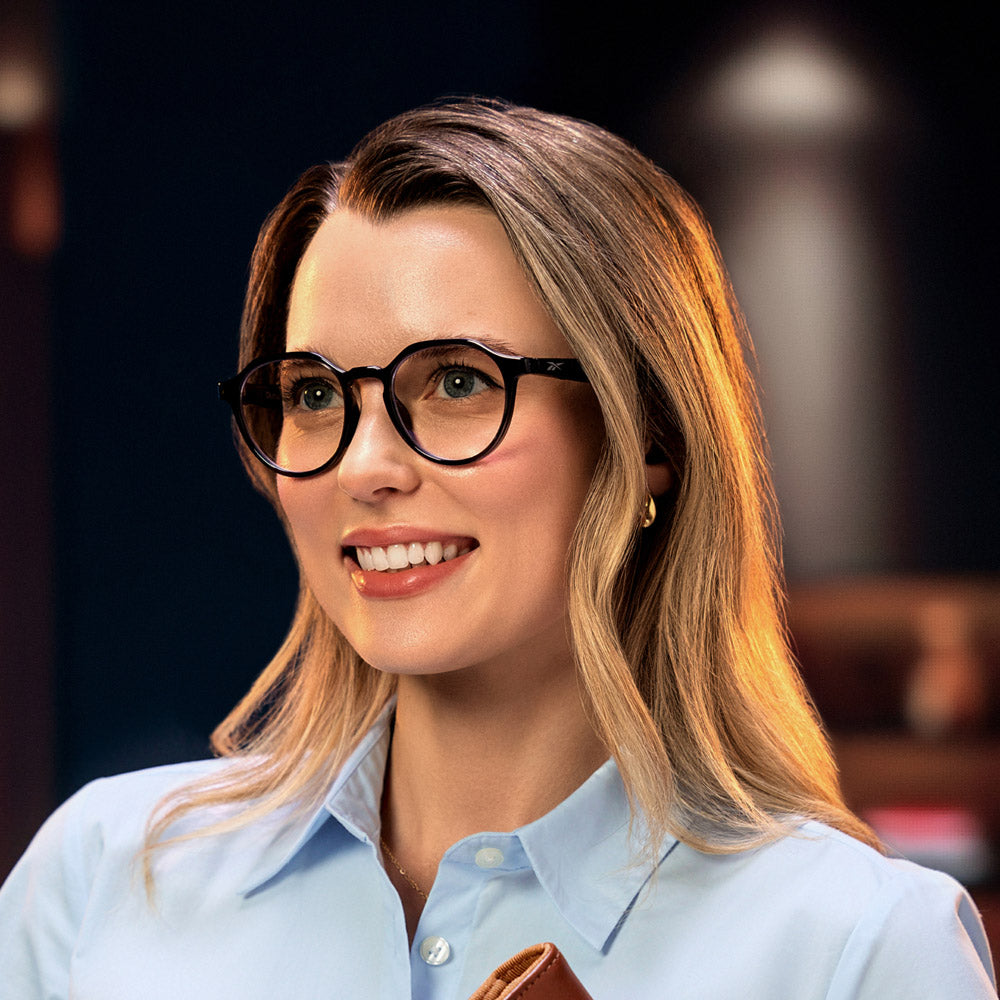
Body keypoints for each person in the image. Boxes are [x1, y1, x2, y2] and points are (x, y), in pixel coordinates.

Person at [0, 98, 995, 999]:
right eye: (313, 394)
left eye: (457, 381)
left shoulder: (857, 948)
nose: (365, 466)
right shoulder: (99, 879)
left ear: (640, 431)